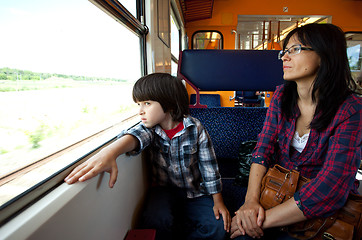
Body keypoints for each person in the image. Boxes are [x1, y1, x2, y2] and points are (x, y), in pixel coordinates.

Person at [230, 23, 362, 239]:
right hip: (276, 193)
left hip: (321, 212)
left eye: (296, 49)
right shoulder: (281, 97)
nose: (285, 57)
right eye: (285, 51)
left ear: (324, 54)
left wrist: (258, 221)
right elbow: (263, 150)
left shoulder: (350, 109)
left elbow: (332, 184)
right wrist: (250, 202)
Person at [64, 73, 231, 240]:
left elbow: (209, 167)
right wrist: (110, 152)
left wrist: (218, 201)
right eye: (139, 104)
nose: (140, 111)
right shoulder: (150, 129)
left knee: (217, 227)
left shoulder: (195, 128)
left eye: (147, 103)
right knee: (155, 220)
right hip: (163, 190)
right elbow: (134, 136)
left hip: (195, 191)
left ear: (170, 104)